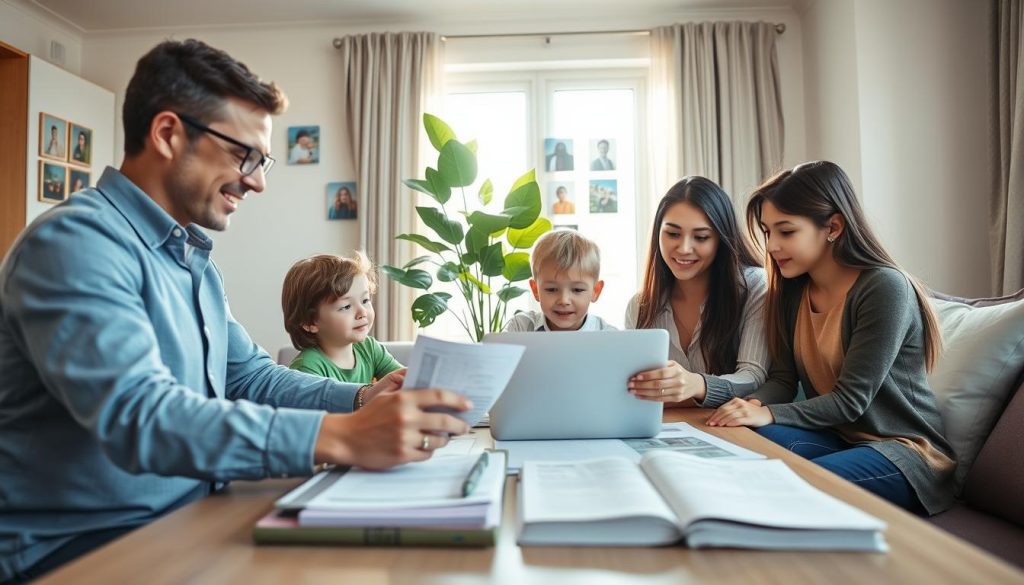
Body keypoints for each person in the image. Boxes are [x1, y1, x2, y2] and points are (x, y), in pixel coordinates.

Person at [0, 39, 471, 582]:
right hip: (83, 550)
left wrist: (361, 398)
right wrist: (339, 436)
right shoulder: (76, 243)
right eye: (244, 154)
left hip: (189, 516)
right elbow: (141, 416)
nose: (258, 180)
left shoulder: (189, 258)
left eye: (262, 159)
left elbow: (248, 376)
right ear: (168, 135)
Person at [706, 161, 955, 515]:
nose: (773, 246)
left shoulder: (883, 287)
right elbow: (782, 379)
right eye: (766, 231)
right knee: (741, 441)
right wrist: (752, 407)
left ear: (833, 227)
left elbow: (850, 401)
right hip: (838, 437)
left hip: (906, 452)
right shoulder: (792, 289)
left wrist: (771, 415)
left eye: (786, 231)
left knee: (788, 484)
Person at [625, 176, 768, 409]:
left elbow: (753, 375)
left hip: (730, 425)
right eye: (672, 234)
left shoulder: (754, 286)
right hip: (665, 428)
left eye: (701, 237)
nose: (684, 248)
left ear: (721, 239)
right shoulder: (640, 305)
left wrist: (696, 384)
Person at [283, 252, 400, 384]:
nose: (362, 312)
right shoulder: (307, 368)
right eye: (346, 307)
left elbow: (404, 381)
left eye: (365, 300)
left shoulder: (369, 348)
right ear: (310, 322)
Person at [503, 230, 615, 332]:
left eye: (577, 290)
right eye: (551, 289)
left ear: (595, 291)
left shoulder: (609, 336)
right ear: (535, 290)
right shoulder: (520, 328)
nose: (564, 300)